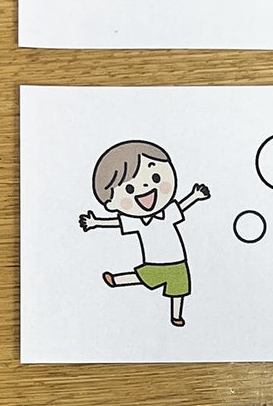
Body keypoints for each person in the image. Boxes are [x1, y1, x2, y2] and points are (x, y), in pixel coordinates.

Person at [79, 139, 210, 327]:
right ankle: (116, 280)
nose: (146, 189)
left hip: (177, 262)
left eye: (156, 178)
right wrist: (96, 222)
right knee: (141, 277)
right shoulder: (136, 220)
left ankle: (176, 316)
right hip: (154, 262)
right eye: (129, 189)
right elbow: (117, 223)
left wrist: (195, 196)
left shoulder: (168, 212)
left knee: (178, 290)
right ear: (111, 204)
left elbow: (182, 206)